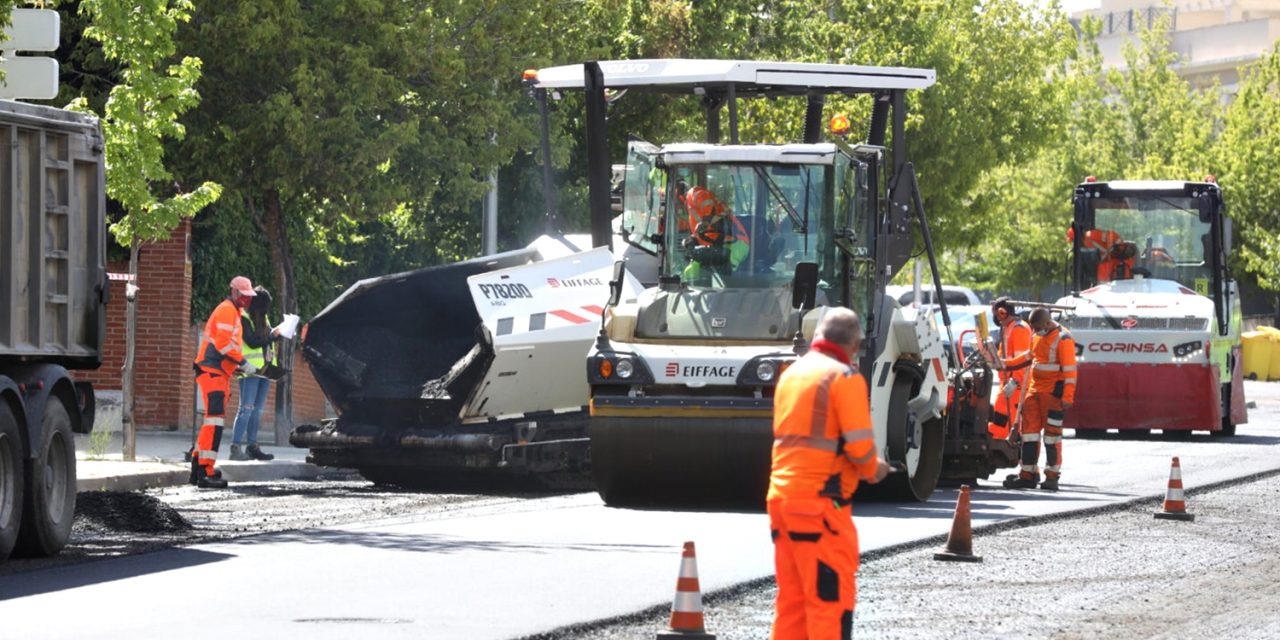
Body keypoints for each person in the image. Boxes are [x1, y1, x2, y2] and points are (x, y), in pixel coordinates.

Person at [767, 307, 891, 639]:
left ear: (818, 335)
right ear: (855, 344)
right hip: (820, 505)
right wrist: (876, 469)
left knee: (792, 603)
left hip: (781, 501)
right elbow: (861, 449)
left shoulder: (792, 374)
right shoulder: (844, 377)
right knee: (829, 603)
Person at [191, 276, 259, 489]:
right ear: (235, 293)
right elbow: (222, 345)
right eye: (245, 296)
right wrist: (243, 362)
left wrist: (237, 365)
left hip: (216, 371)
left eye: (249, 297)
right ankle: (206, 471)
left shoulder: (233, 312)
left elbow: (225, 346)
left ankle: (198, 468)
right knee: (214, 422)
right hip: (213, 371)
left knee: (211, 422)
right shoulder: (227, 311)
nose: (248, 300)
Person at [1000, 307, 1077, 491]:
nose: (1034, 331)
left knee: (1052, 437)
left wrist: (1067, 396)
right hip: (1034, 393)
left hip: (1053, 395)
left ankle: (1051, 477)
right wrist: (1004, 364)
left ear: (1047, 323)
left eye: (1037, 327)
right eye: (1033, 328)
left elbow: (1070, 371)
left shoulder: (1063, 338)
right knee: (1029, 434)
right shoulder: (1037, 335)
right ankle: (1028, 474)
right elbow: (1029, 357)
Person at [230, 285, 280, 461]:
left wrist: (278, 333)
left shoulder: (263, 318)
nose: (267, 309)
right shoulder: (243, 317)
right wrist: (273, 336)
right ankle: (235, 448)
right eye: (265, 305)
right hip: (250, 370)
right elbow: (251, 342)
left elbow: (266, 340)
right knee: (246, 409)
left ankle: (252, 446)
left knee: (257, 411)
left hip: (265, 370)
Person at [986, 297, 1032, 441]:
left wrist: (1015, 382)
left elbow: (1022, 359)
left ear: (1003, 313)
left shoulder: (1019, 329)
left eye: (995, 312)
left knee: (1007, 421)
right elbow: (1003, 356)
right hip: (1008, 385)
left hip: (1014, 388)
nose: (994, 316)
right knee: (1005, 420)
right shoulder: (1008, 328)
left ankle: (997, 445)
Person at [682, 185, 749, 280]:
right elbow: (706, 232)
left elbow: (705, 200)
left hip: (736, 243)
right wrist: (693, 239)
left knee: (726, 276)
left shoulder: (693, 194)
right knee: (691, 271)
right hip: (720, 244)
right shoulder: (693, 211)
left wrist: (706, 220)